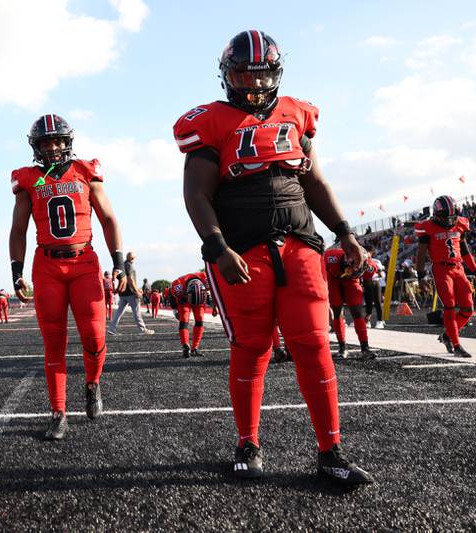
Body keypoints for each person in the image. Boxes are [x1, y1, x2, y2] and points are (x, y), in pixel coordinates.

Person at [175, 30, 372, 485]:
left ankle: (331, 450)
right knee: (252, 348)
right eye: (243, 72)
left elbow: (315, 183)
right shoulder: (209, 121)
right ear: (227, 75)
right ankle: (248, 441)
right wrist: (216, 246)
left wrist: (346, 233)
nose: (252, 83)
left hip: (300, 242)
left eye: (260, 73)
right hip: (242, 251)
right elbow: (197, 193)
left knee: (313, 344)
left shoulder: (297, 114)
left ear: (276, 73)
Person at [9, 113, 128, 440]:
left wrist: (119, 263)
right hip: (46, 265)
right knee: (53, 343)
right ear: (36, 146)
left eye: (58, 140)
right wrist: (16, 271)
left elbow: (108, 219)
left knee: (94, 337)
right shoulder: (29, 178)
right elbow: (18, 229)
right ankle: (58, 412)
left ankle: (92, 383)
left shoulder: (86, 171)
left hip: (84, 262)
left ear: (69, 142)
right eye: (46, 142)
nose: (53, 147)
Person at [416, 195, 476, 357]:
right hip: (441, 269)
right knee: (449, 305)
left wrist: (474, 269)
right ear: (436, 213)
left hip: (458, 268)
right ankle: (456, 345)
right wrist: (421, 277)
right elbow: (420, 255)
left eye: (452, 215)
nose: (449, 219)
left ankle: (447, 336)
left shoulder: (461, 223)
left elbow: (464, 250)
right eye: (445, 215)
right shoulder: (427, 226)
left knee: (468, 309)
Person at [323, 247, 376, 360]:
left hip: (352, 281)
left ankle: (365, 348)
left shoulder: (369, 266)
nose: (350, 271)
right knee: (337, 311)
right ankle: (342, 347)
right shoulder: (330, 257)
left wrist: (369, 311)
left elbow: (368, 286)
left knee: (357, 311)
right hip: (333, 278)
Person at [107, 252, 155, 335]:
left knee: (119, 312)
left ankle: (112, 329)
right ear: (132, 258)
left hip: (123, 293)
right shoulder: (129, 266)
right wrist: (137, 291)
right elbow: (130, 280)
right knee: (136, 312)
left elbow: (118, 278)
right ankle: (142, 329)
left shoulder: (122, 265)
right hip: (131, 293)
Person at [170, 271, 209, 358]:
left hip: (201, 298)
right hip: (184, 299)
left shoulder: (207, 279)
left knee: (199, 319)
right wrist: (175, 310)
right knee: (184, 319)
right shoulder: (178, 286)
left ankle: (193, 347)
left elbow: (215, 291)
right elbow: (172, 297)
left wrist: (215, 306)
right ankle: (186, 346)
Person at [362, 245, 385, 329]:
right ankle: (367, 321)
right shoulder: (361, 260)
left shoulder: (376, 261)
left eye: (368, 251)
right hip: (365, 283)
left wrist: (376, 272)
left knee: (378, 302)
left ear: (372, 253)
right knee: (368, 303)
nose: (366, 253)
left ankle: (380, 321)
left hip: (374, 283)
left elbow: (381, 274)